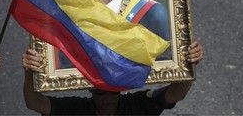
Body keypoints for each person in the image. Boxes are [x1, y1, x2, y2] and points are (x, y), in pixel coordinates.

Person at [22, 40, 203, 115]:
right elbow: (35, 103)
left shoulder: (137, 105)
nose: (107, 98)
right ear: (90, 90)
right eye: (100, 93)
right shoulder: (76, 110)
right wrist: (30, 72)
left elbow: (175, 94)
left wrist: (189, 64)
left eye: (113, 92)